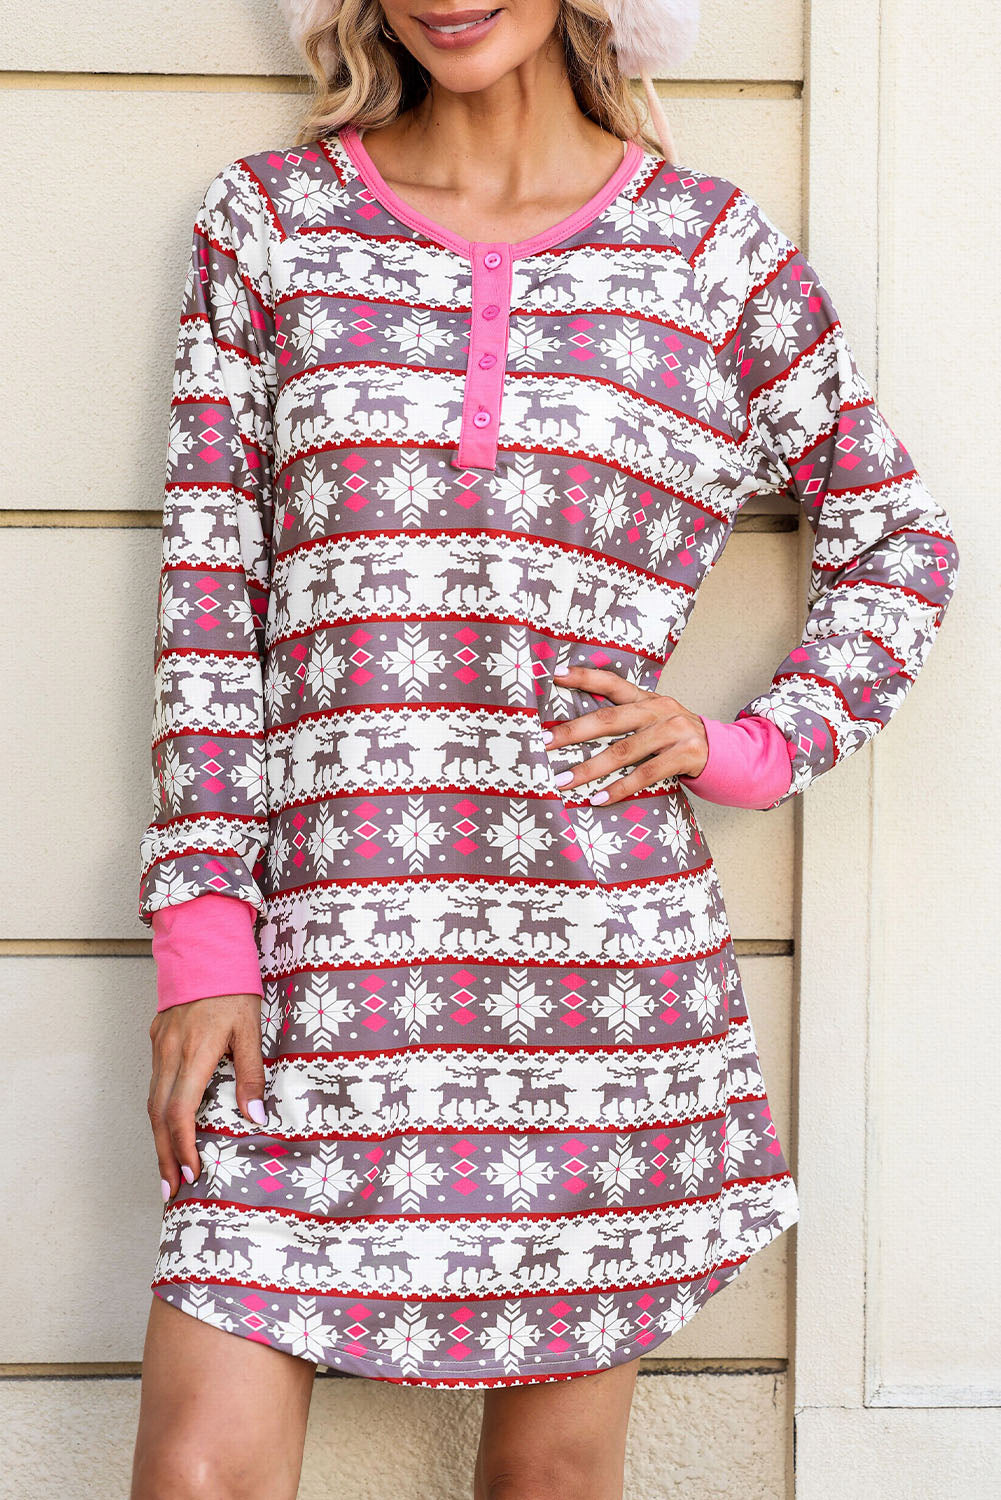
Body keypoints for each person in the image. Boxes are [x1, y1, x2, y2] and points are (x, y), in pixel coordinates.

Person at [129, 2, 961, 1496]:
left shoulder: (710, 255)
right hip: (315, 959)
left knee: (550, 1484)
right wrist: (203, 938)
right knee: (201, 1469)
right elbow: (209, 597)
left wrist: (744, 747)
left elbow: (897, 539)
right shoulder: (269, 224)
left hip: (591, 975)